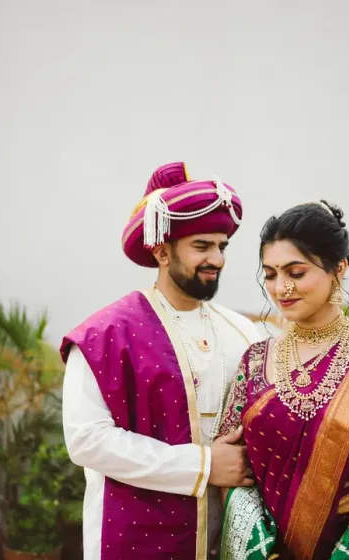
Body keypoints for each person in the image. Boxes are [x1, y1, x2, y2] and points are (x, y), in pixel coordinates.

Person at [61, 161, 260, 560]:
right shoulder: (106, 335)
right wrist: (203, 466)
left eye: (222, 246)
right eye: (201, 246)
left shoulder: (245, 333)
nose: (217, 259)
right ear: (161, 251)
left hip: (231, 541)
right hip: (134, 537)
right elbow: (86, 440)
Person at [218, 200, 349, 559]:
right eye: (270, 274)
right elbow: (232, 465)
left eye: (295, 272)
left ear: (338, 268)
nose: (281, 287)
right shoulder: (256, 360)